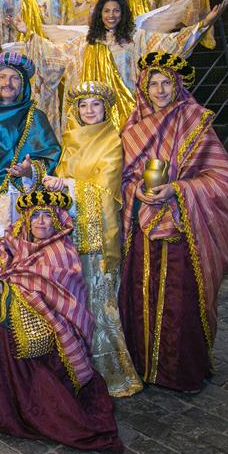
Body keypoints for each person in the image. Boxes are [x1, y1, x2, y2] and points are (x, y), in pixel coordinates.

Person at [0, 192, 123, 452]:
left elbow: (43, 298)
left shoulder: (62, 252)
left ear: (57, 221)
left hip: (50, 331)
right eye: (35, 216)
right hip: (15, 318)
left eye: (46, 216)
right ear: (27, 220)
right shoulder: (18, 243)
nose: (40, 222)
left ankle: (12, 406)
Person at [119, 52, 228, 392]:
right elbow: (121, 178)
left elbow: (223, 178)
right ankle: (142, 367)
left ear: (177, 86)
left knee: (178, 298)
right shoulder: (132, 126)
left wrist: (177, 188)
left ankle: (178, 372)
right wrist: (136, 191)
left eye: (166, 83)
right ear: (144, 89)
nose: (159, 90)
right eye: (153, 84)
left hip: (180, 226)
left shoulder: (194, 120)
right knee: (139, 293)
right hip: (142, 226)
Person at [42, 81, 143, 397]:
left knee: (97, 302)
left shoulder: (112, 141)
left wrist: (66, 186)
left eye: (95, 104)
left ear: (106, 109)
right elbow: (60, 180)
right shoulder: (70, 139)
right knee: (70, 301)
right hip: (69, 234)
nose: (88, 110)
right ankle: (73, 368)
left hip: (98, 237)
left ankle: (107, 372)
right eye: (83, 105)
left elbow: (105, 191)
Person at [16, 0, 225, 132]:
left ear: (123, 13)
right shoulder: (85, 42)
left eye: (116, 10)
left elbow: (171, 43)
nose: (111, 15)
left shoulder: (136, 39)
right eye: (107, 11)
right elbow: (56, 54)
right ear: (100, 14)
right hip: (94, 111)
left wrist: (205, 23)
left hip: (127, 111)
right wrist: (29, 34)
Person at [0, 52, 60, 267]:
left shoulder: (35, 116)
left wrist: (29, 171)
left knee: (15, 257)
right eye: (2, 77)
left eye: (14, 78)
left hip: (18, 197)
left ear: (23, 84)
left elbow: (50, 157)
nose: (7, 83)